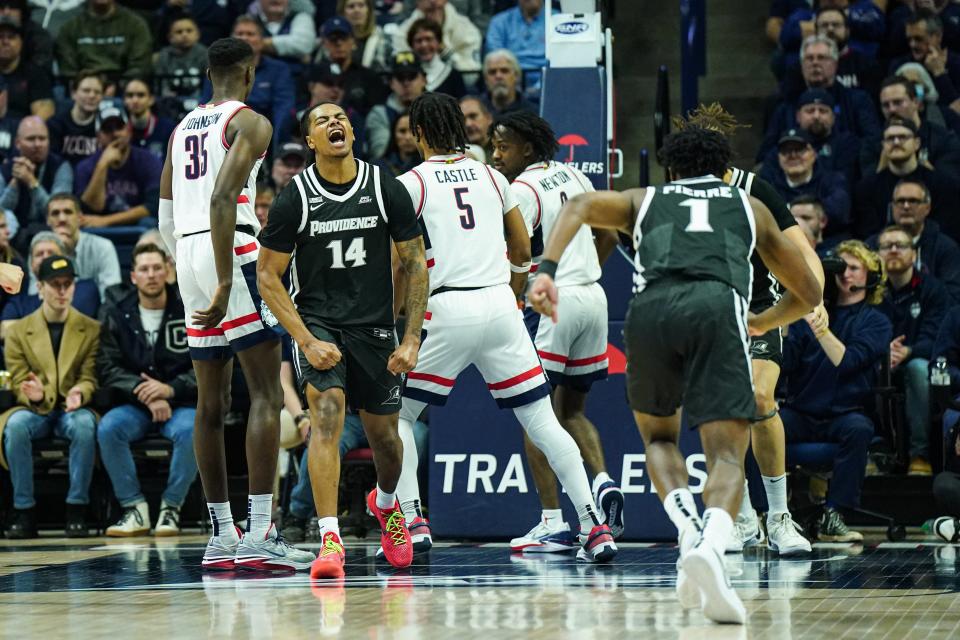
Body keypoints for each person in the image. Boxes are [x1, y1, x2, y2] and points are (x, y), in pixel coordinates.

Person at [528, 126, 821, 624]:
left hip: (651, 310)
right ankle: (711, 541)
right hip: (716, 306)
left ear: (671, 168)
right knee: (726, 452)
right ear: (723, 169)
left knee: (661, 440)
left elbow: (577, 206)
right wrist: (763, 322)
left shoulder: (643, 198)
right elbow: (810, 291)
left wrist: (547, 271)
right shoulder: (749, 206)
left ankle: (687, 529)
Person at [391, 92, 617, 565]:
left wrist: (400, 321)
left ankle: (413, 520)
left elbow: (404, 265)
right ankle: (593, 525)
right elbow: (521, 247)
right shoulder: (493, 177)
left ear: (419, 134)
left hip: (446, 306)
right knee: (543, 420)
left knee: (399, 418)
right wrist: (514, 292)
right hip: (499, 305)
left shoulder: (410, 183)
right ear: (462, 128)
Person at [159, 36, 314, 571]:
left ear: (208, 73)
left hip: (186, 250)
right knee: (266, 394)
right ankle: (261, 531)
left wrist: (193, 266)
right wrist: (226, 277)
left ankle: (222, 533)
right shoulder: (251, 122)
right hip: (235, 250)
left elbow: (165, 215)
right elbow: (226, 196)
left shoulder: (181, 129)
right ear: (250, 74)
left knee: (209, 403)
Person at [257, 101, 428, 578]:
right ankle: (329, 538)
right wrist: (307, 340)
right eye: (322, 120)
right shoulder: (296, 197)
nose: (335, 123)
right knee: (327, 412)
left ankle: (387, 503)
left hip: (374, 325)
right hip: (319, 323)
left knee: (387, 442)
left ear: (352, 130)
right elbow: (268, 277)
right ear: (310, 141)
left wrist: (409, 337)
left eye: (342, 117)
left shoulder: (383, 185)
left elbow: (415, 264)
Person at [678, 104, 824, 557]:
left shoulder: (752, 188)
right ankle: (739, 518)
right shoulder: (676, 195)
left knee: (760, 399)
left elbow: (798, 246)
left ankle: (779, 517)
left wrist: (814, 296)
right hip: (710, 308)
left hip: (759, 305)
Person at [489, 110, 625, 551]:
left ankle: (551, 521)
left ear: (526, 148)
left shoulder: (521, 189)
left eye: (502, 146)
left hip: (552, 304)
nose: (495, 154)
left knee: (536, 417)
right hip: (592, 298)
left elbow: (517, 249)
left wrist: (516, 297)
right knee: (572, 412)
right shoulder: (575, 174)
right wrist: (585, 275)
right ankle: (602, 483)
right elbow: (610, 237)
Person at [780, 240, 892, 543]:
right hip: (802, 411)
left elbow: (847, 360)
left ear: (871, 277)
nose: (846, 274)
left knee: (859, 430)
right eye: (840, 268)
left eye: (854, 268)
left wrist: (818, 325)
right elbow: (786, 364)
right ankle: (767, 513)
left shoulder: (876, 322)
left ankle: (834, 514)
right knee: (764, 426)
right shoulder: (812, 313)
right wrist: (788, 321)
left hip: (846, 413)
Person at [97, 243, 198, 537]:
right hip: (136, 403)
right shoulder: (118, 314)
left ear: (168, 272)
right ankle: (134, 509)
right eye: (144, 269)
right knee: (108, 428)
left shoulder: (189, 309)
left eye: (157, 268)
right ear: (133, 276)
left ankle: (171, 507)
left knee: (193, 429)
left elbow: (206, 364)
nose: (151, 275)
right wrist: (143, 389)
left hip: (181, 402)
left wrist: (169, 389)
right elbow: (107, 367)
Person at [0, 255, 100, 539]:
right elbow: (18, 379)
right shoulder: (18, 330)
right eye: (54, 284)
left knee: (83, 424)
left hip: (72, 407)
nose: (61, 291)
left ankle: (77, 508)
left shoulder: (90, 327)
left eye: (67, 284)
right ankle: (23, 510)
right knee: (15, 426)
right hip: (35, 409)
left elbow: (90, 375)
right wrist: (33, 394)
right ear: (40, 287)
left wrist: (82, 390)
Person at [876, 225, 949, 476]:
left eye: (900, 245)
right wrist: (883, 352)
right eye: (887, 246)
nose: (893, 250)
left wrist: (907, 351)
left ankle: (920, 455)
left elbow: (939, 338)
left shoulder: (933, 290)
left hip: (920, 358)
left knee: (918, 370)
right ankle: (876, 452)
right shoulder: (871, 291)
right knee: (861, 365)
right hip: (879, 359)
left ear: (915, 253)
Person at [854, 116, 960, 239]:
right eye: (890, 138)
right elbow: (867, 235)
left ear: (917, 143)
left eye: (903, 137)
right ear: (883, 145)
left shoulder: (942, 185)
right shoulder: (866, 189)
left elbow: (947, 231)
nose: (896, 142)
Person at [872, 178, 960, 302]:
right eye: (900, 201)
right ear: (892, 207)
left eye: (913, 201)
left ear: (927, 208)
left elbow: (953, 297)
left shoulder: (946, 248)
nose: (906, 206)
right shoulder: (873, 244)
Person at [859, 76, 960, 183]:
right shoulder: (872, 145)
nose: (891, 109)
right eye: (886, 105)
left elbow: (951, 189)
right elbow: (866, 192)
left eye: (898, 102)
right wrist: (883, 164)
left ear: (916, 102)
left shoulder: (944, 140)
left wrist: (923, 168)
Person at [74, 105, 161, 228]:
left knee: (148, 222)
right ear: (98, 136)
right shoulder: (85, 167)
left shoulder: (149, 161)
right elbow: (93, 207)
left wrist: (106, 221)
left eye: (119, 127)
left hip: (136, 225)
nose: (114, 134)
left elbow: (152, 206)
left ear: (128, 131)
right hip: (98, 228)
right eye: (107, 129)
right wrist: (102, 165)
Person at [0, 231, 100, 334]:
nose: (45, 257)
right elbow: (5, 330)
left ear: (65, 258)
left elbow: (84, 325)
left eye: (51, 253)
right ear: (31, 263)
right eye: (39, 254)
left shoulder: (86, 289)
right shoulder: (19, 300)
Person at [760, 128, 851, 236]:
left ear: (814, 153)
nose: (793, 155)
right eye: (785, 151)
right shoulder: (769, 186)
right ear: (778, 157)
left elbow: (840, 211)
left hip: (828, 242)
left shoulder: (833, 180)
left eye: (800, 150)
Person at [758, 89, 860, 185]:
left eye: (823, 111)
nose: (816, 116)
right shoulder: (784, 146)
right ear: (798, 116)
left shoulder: (846, 144)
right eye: (810, 111)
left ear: (833, 117)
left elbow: (844, 182)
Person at [0, 116, 73, 243]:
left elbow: (58, 213)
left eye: (42, 139)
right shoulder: (5, 169)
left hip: (52, 234)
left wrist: (32, 182)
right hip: (12, 237)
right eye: (31, 139)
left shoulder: (61, 166)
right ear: (18, 143)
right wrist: (15, 182)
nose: (37, 144)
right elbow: (1, 213)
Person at [54, 0, 153, 83]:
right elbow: (68, 70)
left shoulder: (135, 25)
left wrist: (121, 85)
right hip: (83, 89)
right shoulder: (70, 28)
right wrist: (87, 86)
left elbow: (139, 67)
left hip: (124, 90)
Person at [45, 192, 121, 296]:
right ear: (48, 220)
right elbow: (35, 297)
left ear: (80, 218)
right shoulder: (41, 251)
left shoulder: (103, 247)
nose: (62, 219)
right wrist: (58, 253)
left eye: (68, 212)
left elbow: (111, 296)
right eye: (55, 213)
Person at [315, 16, 388, 117]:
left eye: (343, 38)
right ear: (325, 43)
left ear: (353, 41)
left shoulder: (369, 77)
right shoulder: (314, 75)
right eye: (333, 39)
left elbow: (377, 115)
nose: (339, 43)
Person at [393, 0, 482, 75]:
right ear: (417, 2)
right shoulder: (402, 34)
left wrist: (445, 52)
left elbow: (471, 76)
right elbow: (402, 75)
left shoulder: (467, 30)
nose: (432, 1)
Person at [366, 53, 427, 159]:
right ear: (391, 83)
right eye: (400, 78)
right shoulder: (380, 113)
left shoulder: (436, 110)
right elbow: (380, 155)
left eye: (412, 77)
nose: (406, 83)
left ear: (424, 80)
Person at [485, 0, 546, 100]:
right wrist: (514, 80)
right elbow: (495, 58)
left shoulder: (557, 20)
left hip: (546, 81)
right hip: (510, 80)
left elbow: (561, 58)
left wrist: (541, 85)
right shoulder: (499, 22)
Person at [0, 15, 54, 120]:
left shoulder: (35, 74)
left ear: (21, 42)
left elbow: (45, 113)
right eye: (0, 36)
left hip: (21, 132)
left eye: (11, 37)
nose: (5, 42)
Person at [46, 71, 104, 168]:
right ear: (73, 93)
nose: (92, 96)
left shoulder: (106, 126)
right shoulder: (55, 125)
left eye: (97, 92)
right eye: (86, 91)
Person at [407, 18, 466, 98]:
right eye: (419, 40)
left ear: (439, 42)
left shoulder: (453, 75)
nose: (424, 45)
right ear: (412, 45)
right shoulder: (406, 76)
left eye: (429, 39)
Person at [154, 13, 208, 98]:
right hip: (171, 101)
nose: (184, 35)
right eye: (179, 32)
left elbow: (210, 84)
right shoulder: (164, 55)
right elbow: (160, 85)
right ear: (170, 37)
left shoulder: (205, 54)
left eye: (189, 31)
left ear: (197, 34)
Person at [123, 78, 177, 163]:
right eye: (130, 95)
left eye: (141, 95)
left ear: (151, 99)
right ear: (124, 100)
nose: (135, 100)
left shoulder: (169, 129)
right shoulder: (120, 132)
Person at [338, 0, 391, 71]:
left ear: (369, 10)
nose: (356, 10)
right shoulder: (334, 39)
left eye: (361, 5)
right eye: (351, 6)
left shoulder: (383, 39)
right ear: (342, 12)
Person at [481, 49, 537, 116]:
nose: (498, 76)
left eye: (504, 71)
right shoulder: (476, 111)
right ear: (486, 79)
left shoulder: (533, 113)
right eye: (492, 72)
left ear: (516, 76)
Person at [375, 112, 420, 177]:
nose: (408, 137)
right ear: (393, 134)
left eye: (413, 131)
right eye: (402, 131)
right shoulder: (378, 167)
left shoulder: (430, 167)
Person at [460, 95, 493, 161]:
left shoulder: (504, 150)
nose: (468, 124)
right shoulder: (456, 155)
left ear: (488, 118)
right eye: (462, 120)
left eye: (473, 116)